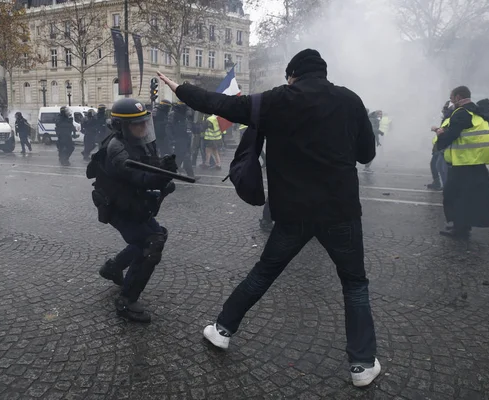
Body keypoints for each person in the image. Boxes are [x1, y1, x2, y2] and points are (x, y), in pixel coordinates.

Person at [157, 48, 380, 388]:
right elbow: (366, 154)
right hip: (340, 210)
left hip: (293, 212)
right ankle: (362, 365)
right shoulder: (350, 100)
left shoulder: (278, 100)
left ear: (292, 75)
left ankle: (221, 330)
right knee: (354, 285)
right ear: (323, 72)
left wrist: (180, 89)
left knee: (263, 273)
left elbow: (223, 106)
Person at [87, 98, 177, 323]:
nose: (142, 127)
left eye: (144, 122)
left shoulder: (138, 141)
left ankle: (113, 268)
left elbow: (149, 165)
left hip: (133, 203)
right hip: (118, 207)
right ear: (121, 126)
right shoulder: (116, 149)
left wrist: (164, 167)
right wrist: (161, 177)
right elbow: (138, 177)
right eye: (136, 124)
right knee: (151, 242)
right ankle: (127, 300)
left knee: (156, 235)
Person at [434, 86, 489, 238]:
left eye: (452, 97)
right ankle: (463, 226)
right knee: (468, 196)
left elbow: (451, 135)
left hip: (462, 161)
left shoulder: (462, 113)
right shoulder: (477, 111)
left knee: (454, 195)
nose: (451, 100)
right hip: (476, 160)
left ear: (458, 97)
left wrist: (440, 134)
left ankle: (459, 229)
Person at [427, 101, 454, 190]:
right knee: (437, 165)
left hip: (443, 147)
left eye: (446, 109)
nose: (444, 111)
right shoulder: (446, 119)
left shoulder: (451, 119)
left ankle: (444, 185)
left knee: (440, 166)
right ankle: (441, 184)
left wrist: (436, 129)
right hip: (439, 146)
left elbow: (446, 132)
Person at [169, 102, 196, 178]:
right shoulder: (175, 117)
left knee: (182, 158)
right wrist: (172, 140)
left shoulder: (184, 118)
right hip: (179, 141)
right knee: (183, 157)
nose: (189, 112)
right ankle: (190, 175)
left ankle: (190, 175)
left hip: (185, 140)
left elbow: (190, 127)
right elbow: (171, 129)